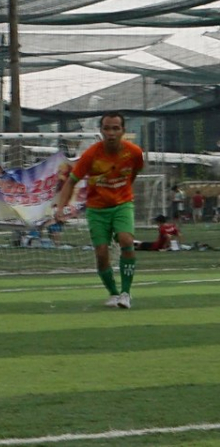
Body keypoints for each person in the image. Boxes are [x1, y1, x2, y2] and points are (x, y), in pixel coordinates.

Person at [55, 112, 143, 309]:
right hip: (97, 209)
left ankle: (126, 293)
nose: (111, 133)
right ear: (101, 131)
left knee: (126, 240)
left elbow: (134, 173)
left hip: (122, 204)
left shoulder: (134, 152)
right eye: (107, 128)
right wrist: (60, 208)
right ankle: (113, 293)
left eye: (115, 128)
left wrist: (123, 191)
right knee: (102, 253)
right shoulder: (91, 154)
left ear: (123, 131)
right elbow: (71, 181)